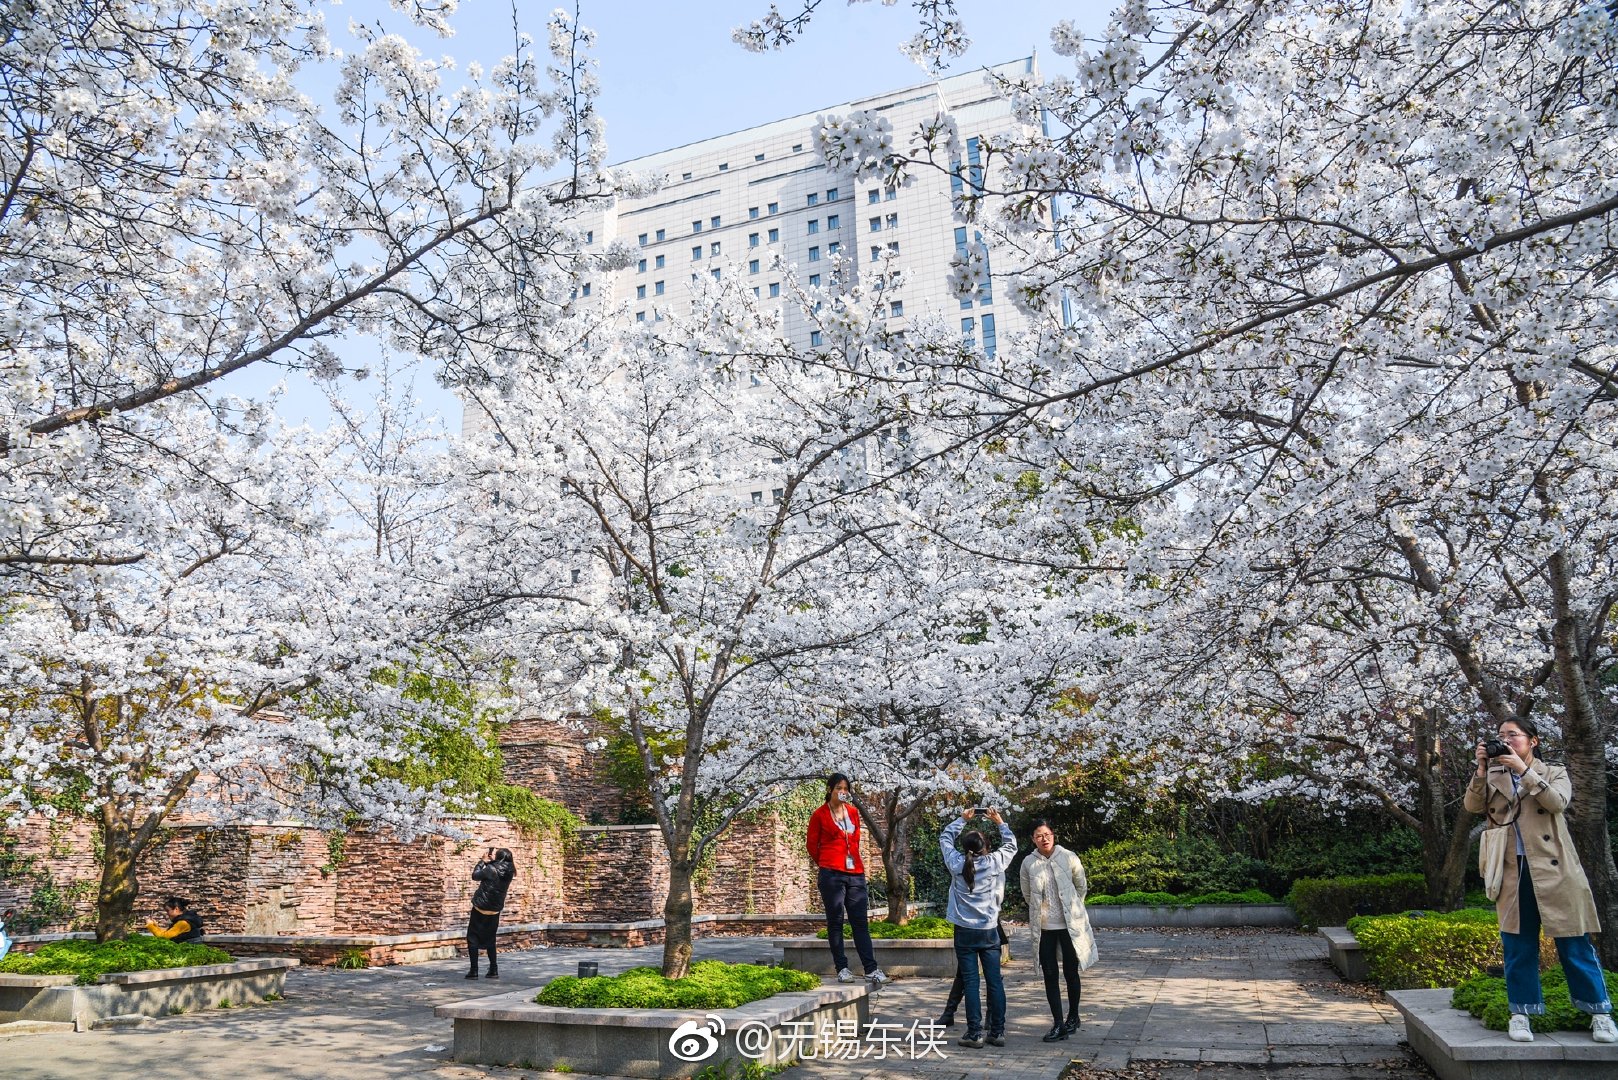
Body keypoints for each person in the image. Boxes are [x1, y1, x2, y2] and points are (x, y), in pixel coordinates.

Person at [1465, 719, 1617, 1044]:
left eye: (1513, 735)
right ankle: (1521, 1013)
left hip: (1556, 870)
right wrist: (1481, 770)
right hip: (1510, 868)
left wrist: (1523, 771)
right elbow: (1472, 806)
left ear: (1532, 740)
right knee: (1518, 947)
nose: (1505, 741)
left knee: (1574, 944)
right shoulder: (1493, 775)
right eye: (1501, 736)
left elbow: (1558, 803)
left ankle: (1599, 1014)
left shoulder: (1553, 772)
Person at [941, 807, 1017, 1049]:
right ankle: (997, 1031)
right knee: (995, 981)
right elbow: (1011, 845)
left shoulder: (956, 863)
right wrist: (1000, 822)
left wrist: (962, 819)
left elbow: (944, 838)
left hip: (964, 931)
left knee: (971, 982)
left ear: (966, 848)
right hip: (988, 930)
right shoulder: (995, 862)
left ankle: (974, 1033)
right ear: (986, 847)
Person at [1019, 818, 1099, 1041]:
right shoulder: (1028, 863)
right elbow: (1027, 894)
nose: (1043, 839)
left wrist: (1071, 908)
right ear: (1033, 839)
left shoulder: (1068, 856)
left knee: (1071, 972)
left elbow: (1080, 885)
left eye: (1047, 834)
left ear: (1053, 835)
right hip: (1044, 927)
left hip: (1069, 925)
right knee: (1049, 973)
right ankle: (1058, 1023)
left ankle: (1073, 1016)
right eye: (1038, 836)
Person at [806, 773, 890, 985]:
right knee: (835, 922)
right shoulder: (819, 815)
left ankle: (871, 968)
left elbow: (855, 840)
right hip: (831, 874)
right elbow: (811, 845)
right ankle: (842, 968)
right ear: (830, 790)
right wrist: (826, 863)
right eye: (838, 788)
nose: (843, 792)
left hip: (855, 873)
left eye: (846, 788)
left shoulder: (853, 812)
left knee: (860, 922)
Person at [936, 920, 1008, 1028]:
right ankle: (949, 1013)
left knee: (988, 978)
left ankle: (987, 1018)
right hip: (984, 925)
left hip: (980, 925)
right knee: (972, 974)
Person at [466, 847, 515, 980]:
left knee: (472, 938)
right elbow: (497, 871)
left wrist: (482, 861)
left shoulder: (491, 869)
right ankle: (493, 969)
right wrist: (491, 862)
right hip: (494, 910)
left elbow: (475, 876)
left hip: (481, 908)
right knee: (490, 939)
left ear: (499, 857)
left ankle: (474, 971)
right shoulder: (510, 871)